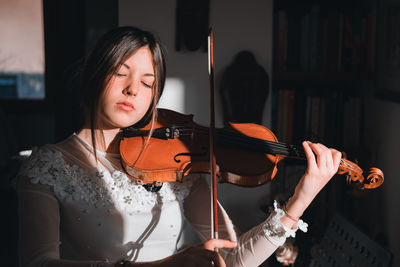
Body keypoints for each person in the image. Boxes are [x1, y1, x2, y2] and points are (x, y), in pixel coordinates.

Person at [16, 26, 342, 267]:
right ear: (93, 76)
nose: (133, 90)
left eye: (147, 83)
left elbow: (235, 260)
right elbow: (37, 262)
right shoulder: (49, 165)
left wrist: (300, 200)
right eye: (120, 74)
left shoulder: (176, 164)